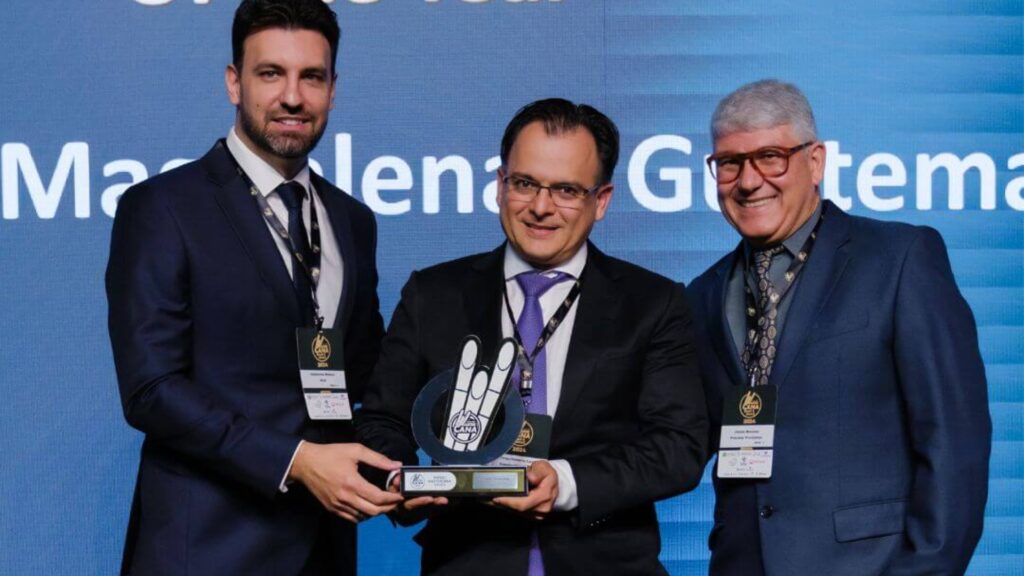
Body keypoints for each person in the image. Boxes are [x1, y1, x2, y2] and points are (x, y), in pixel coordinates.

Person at [105, 1, 403, 574]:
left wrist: (414, 463)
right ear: (234, 83)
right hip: (208, 551)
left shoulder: (351, 219)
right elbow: (151, 389)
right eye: (271, 74)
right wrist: (296, 461)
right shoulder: (164, 208)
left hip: (325, 547)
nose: (292, 96)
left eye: (311, 76)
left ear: (333, 89)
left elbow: (361, 372)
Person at [356, 98, 708, 576]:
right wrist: (402, 479)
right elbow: (382, 420)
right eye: (525, 184)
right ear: (501, 185)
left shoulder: (654, 304)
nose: (541, 208)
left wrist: (563, 482)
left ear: (600, 200)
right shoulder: (432, 294)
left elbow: (678, 447)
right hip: (467, 560)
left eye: (566, 190)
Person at [688, 79, 991, 575]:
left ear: (815, 162)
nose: (748, 180)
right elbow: (680, 440)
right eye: (729, 163)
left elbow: (953, 444)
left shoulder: (900, 259)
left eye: (770, 156)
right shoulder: (702, 293)